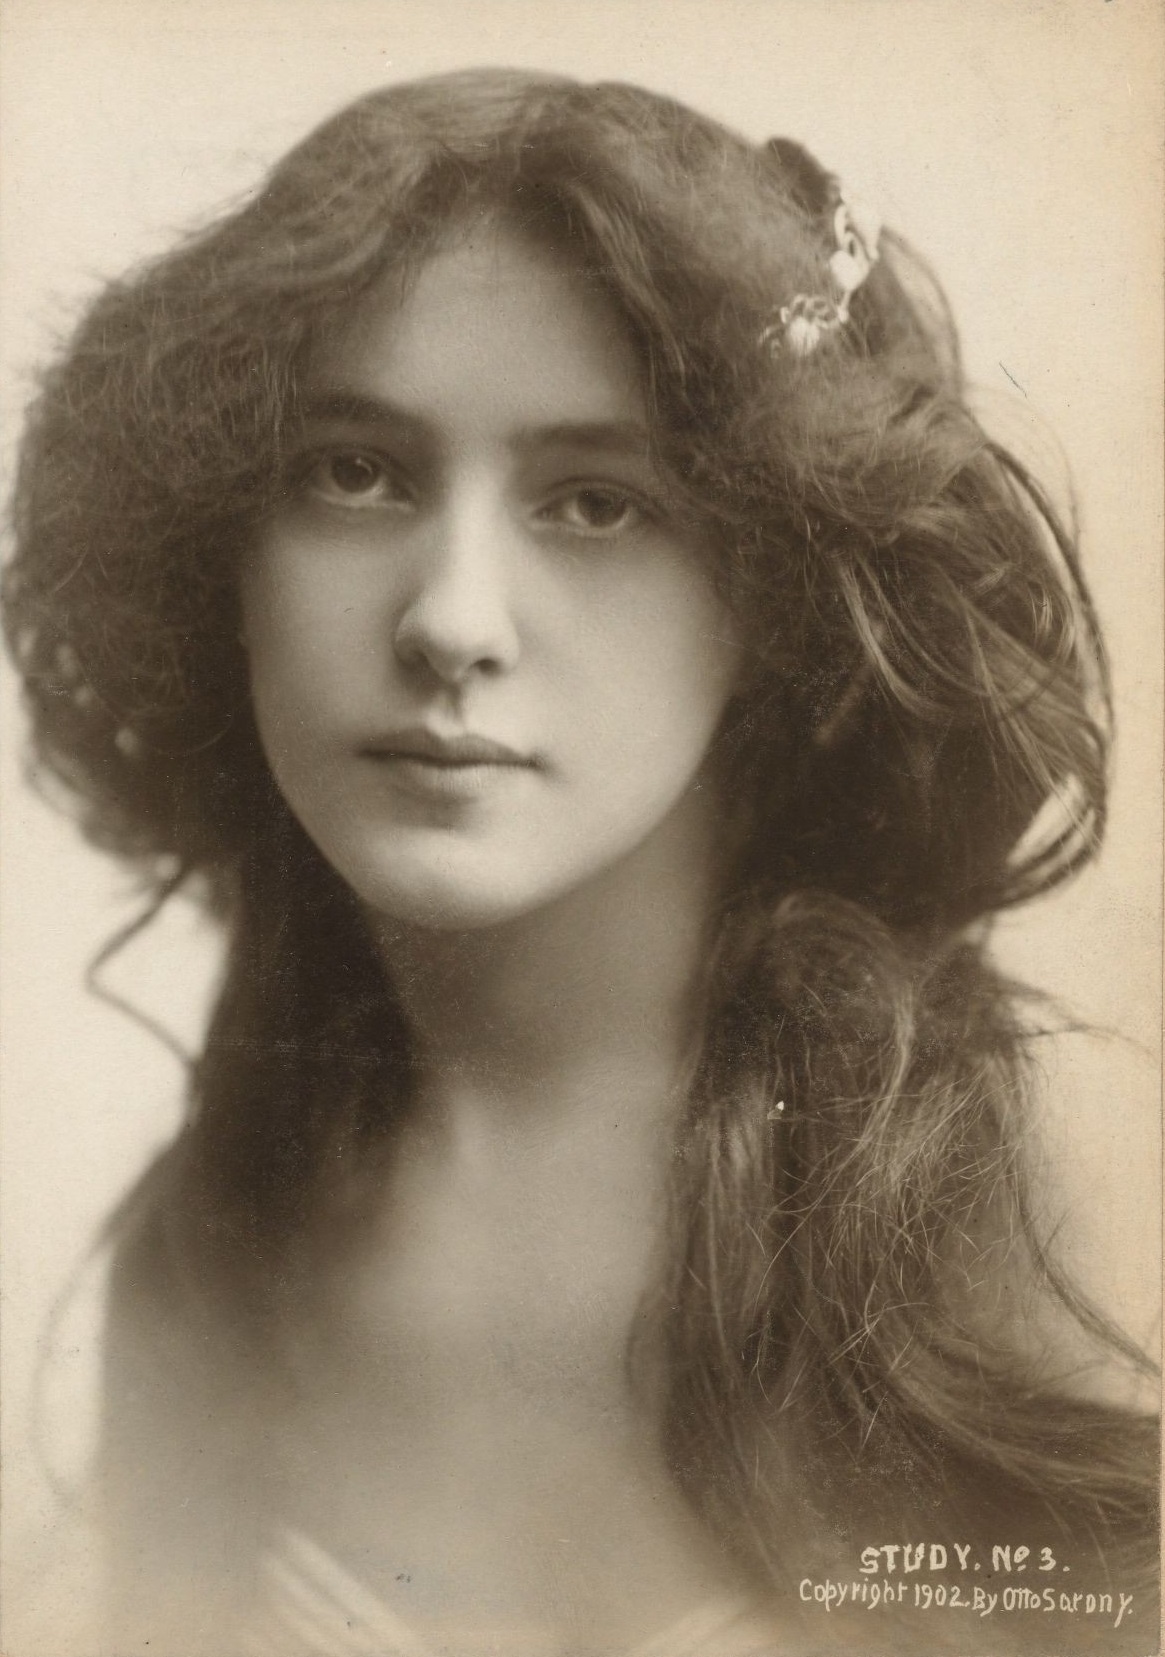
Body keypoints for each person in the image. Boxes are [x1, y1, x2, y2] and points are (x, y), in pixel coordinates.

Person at [3, 67, 1158, 1656]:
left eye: (595, 503)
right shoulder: (212, 1246)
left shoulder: (1024, 1204)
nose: (450, 621)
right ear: (222, 557)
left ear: (771, 597)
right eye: (354, 471)